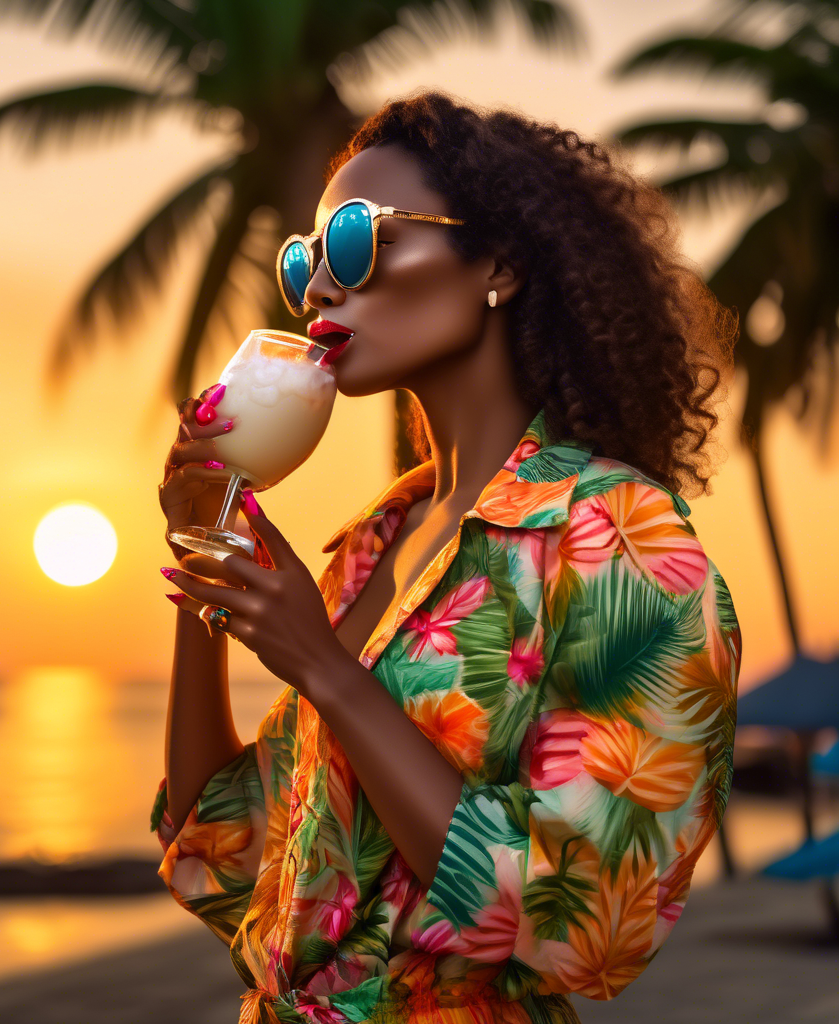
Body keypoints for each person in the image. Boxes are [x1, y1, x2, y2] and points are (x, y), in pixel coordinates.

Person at [152, 89, 742, 1024]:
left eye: (353, 240)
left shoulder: (624, 542)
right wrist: (205, 559)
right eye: (304, 260)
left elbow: (593, 927)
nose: (316, 291)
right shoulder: (378, 542)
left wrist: (325, 670)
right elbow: (230, 857)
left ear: (497, 262)